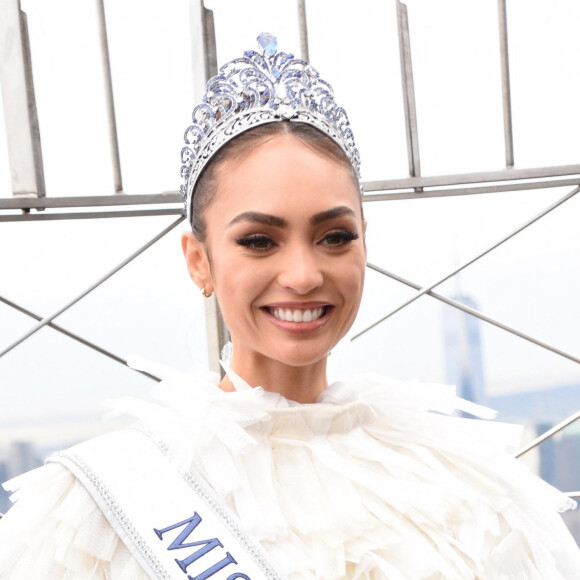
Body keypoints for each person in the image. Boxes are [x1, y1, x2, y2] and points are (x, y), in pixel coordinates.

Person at [1, 33, 579, 580]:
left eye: (334, 237)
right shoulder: (94, 511)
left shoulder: (466, 483)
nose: (304, 275)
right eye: (259, 241)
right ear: (198, 260)